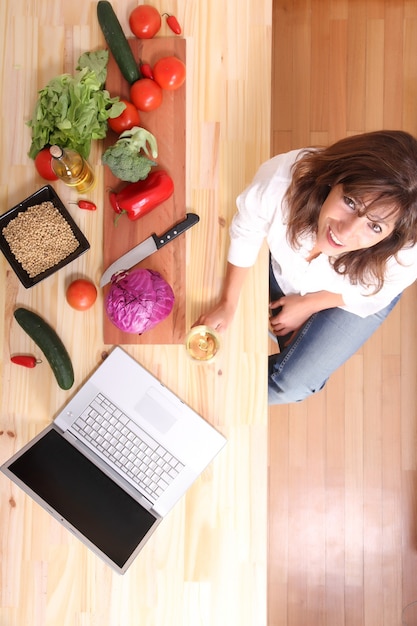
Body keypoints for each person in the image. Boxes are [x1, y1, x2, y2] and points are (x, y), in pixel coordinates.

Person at [193, 130, 417, 404]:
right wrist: (228, 302)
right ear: (337, 178)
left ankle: (215, 398)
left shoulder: (404, 255)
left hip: (355, 294)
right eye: (350, 202)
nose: (345, 233)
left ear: (391, 237)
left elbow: (372, 294)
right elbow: (247, 230)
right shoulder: (281, 182)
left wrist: (310, 304)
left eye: (374, 226)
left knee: (291, 385)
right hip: (288, 270)